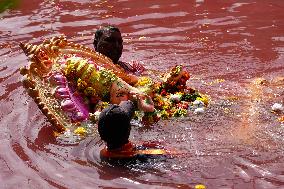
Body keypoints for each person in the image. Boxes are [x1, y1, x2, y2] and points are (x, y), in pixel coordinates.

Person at [98, 100, 172, 163]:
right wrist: (153, 113)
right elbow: (177, 154)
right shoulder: (150, 156)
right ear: (129, 129)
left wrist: (148, 113)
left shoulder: (104, 153)